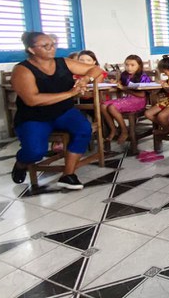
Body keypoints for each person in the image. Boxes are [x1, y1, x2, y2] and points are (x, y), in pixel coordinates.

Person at [10, 31, 105, 190]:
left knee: (83, 129)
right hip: (34, 117)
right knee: (35, 152)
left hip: (63, 112)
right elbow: (32, 100)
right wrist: (70, 93)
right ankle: (21, 163)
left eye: (53, 44)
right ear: (32, 50)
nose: (51, 48)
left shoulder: (64, 62)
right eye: (45, 46)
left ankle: (68, 175)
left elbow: (95, 69)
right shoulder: (22, 70)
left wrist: (85, 79)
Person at [100, 54, 151, 144]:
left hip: (139, 101)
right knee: (103, 105)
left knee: (111, 107)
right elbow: (120, 82)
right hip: (126, 99)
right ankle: (113, 129)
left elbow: (142, 95)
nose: (129, 68)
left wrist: (124, 89)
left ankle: (124, 131)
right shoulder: (124, 75)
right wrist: (115, 83)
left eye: (132, 65)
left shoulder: (143, 77)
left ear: (139, 66)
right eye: (127, 65)